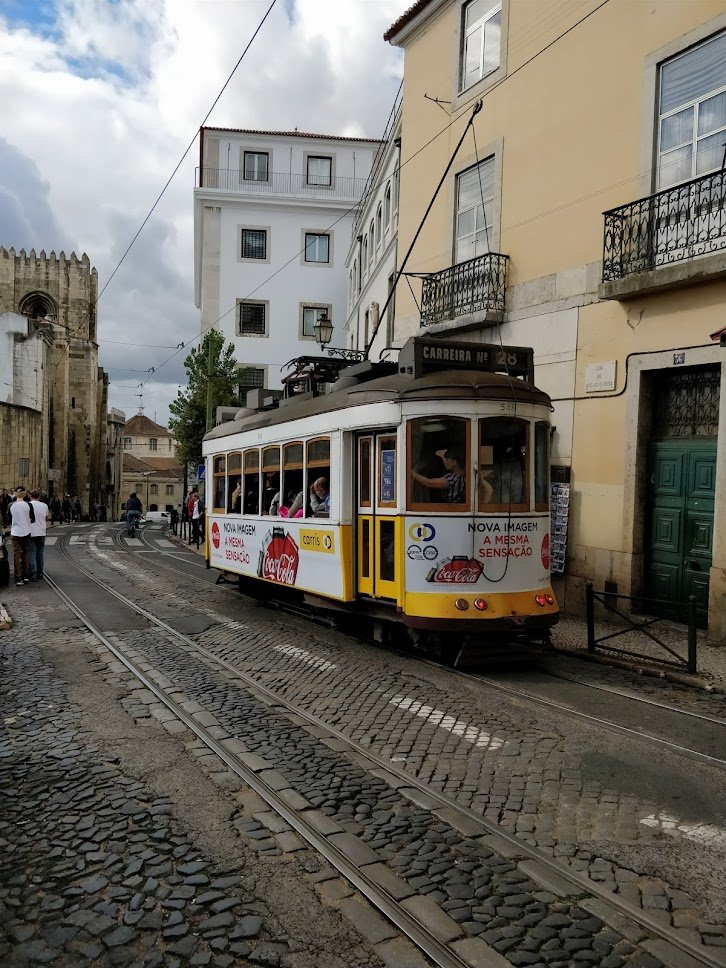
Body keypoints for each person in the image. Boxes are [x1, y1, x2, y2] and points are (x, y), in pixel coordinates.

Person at [10, 486, 32, 585]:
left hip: (15, 531)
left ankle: (18, 578)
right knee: (25, 553)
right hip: (26, 531)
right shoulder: (28, 505)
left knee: (16, 554)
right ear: (24, 494)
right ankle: (26, 576)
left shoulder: (11, 505)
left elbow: (8, 517)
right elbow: (32, 518)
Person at [28, 489, 48, 581]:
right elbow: (45, 518)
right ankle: (40, 573)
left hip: (31, 531)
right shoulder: (44, 506)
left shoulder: (28, 505)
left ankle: (32, 574)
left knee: (31, 552)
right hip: (41, 532)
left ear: (30, 496)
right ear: (39, 496)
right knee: (40, 552)